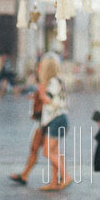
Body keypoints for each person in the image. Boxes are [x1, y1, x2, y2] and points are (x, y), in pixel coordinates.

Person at [36, 52, 72, 191]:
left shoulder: (53, 82)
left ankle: (66, 175)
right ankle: (54, 182)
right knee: (55, 151)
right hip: (59, 118)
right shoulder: (59, 80)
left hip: (55, 118)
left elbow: (47, 99)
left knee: (47, 152)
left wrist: (40, 92)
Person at [8, 62, 46, 185]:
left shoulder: (46, 84)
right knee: (41, 149)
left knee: (45, 150)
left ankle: (62, 175)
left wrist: (36, 102)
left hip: (44, 122)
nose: (37, 69)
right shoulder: (42, 83)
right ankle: (25, 174)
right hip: (42, 121)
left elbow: (43, 102)